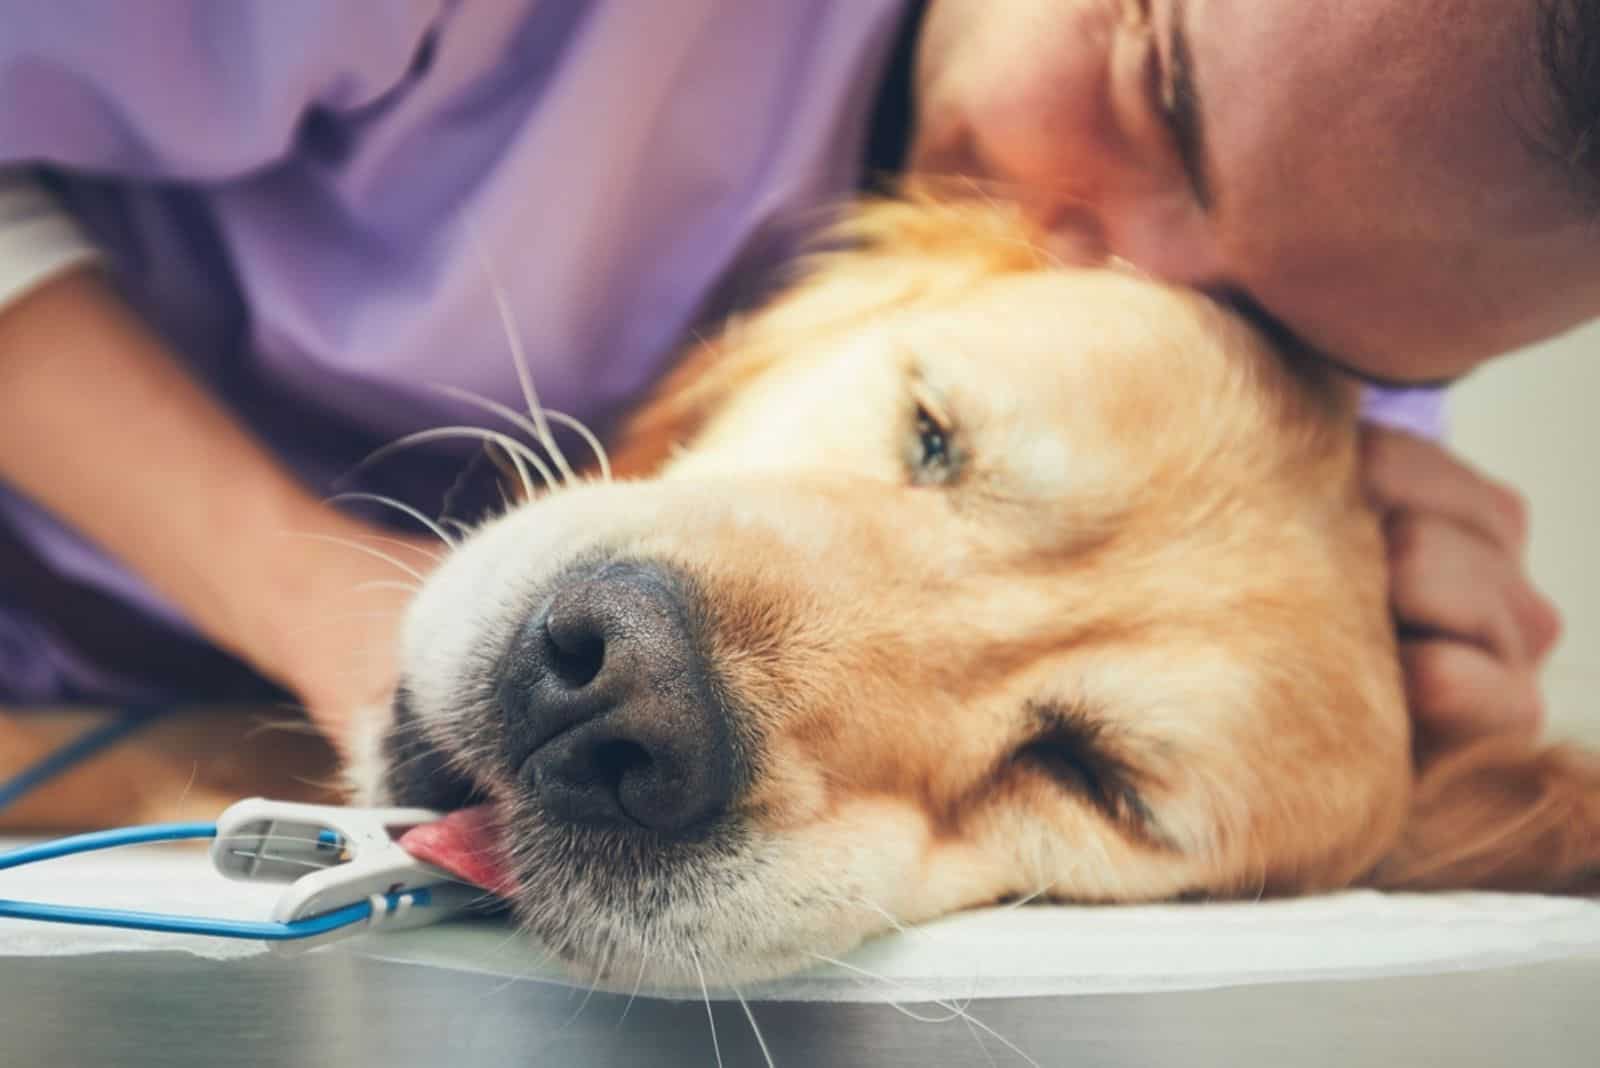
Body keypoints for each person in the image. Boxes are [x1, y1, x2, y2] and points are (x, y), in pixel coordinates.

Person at [0, 0, 1586, 756]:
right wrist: (306, 597)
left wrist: (1394, 736)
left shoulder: (1321, 293)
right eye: (1154, 88)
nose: (1102, 284)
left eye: (1302, 334)